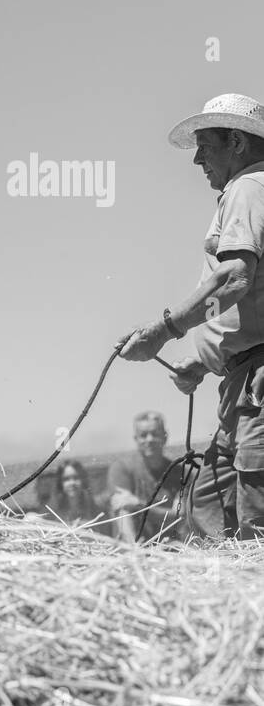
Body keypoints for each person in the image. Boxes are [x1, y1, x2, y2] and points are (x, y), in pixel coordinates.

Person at [118, 94, 264, 540]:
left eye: (205, 146)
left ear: (236, 141)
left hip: (256, 382)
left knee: (254, 519)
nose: (197, 159)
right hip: (242, 380)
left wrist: (164, 331)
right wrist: (204, 359)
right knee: (208, 503)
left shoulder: (248, 187)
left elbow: (235, 277)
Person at [106, 412, 185, 542]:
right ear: (136, 439)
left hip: (169, 546)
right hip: (133, 546)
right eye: (143, 435)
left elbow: (179, 518)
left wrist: (138, 505)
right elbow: (122, 509)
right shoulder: (122, 469)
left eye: (155, 434)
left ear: (165, 437)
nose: (149, 439)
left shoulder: (180, 472)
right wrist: (135, 550)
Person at [46, 459, 122, 538]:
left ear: (83, 480)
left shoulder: (96, 508)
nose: (72, 483)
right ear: (60, 484)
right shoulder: (54, 511)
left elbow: (107, 536)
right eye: (66, 479)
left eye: (76, 478)